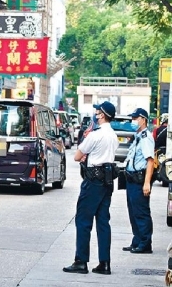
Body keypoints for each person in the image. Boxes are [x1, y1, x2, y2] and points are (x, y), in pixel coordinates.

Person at [63, 101, 119, 276]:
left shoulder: (95, 135)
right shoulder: (114, 136)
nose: (95, 112)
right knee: (103, 222)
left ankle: (81, 261)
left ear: (102, 115)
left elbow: (77, 156)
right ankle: (104, 263)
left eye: (97, 110)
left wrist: (87, 155)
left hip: (93, 180)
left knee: (83, 220)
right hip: (107, 181)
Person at [123, 107, 155, 254]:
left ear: (143, 119)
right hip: (131, 179)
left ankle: (145, 243)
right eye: (132, 118)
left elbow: (150, 161)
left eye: (135, 118)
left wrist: (147, 183)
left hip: (140, 180)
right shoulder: (137, 136)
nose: (133, 121)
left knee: (141, 212)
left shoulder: (146, 137)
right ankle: (137, 240)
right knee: (133, 212)